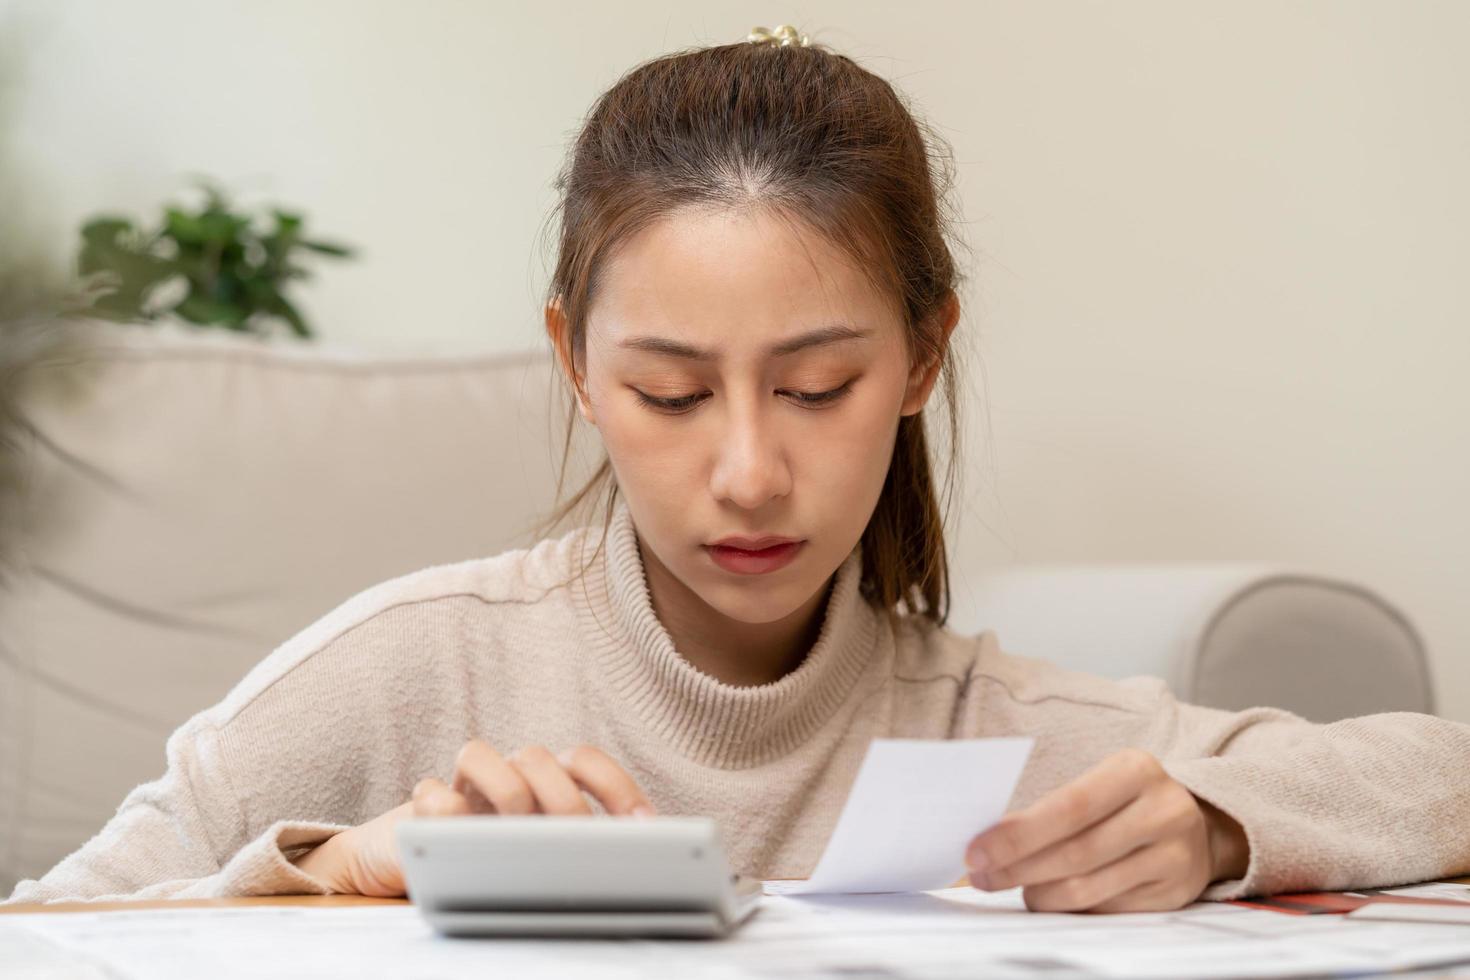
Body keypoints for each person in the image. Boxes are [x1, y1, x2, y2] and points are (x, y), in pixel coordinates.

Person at [8, 26, 1469, 915]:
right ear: (576, 366)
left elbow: (1442, 778)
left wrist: (1219, 824)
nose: (751, 472)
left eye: (817, 386)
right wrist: (330, 874)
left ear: (919, 359)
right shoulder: (410, 670)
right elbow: (45, 931)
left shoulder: (992, 734)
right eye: (668, 390)